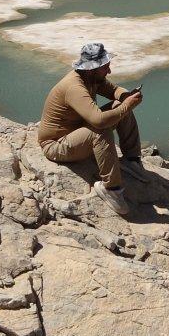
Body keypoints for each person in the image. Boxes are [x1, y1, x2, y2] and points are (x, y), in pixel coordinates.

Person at [38, 43, 144, 216]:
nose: (108, 72)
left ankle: (132, 160)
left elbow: (115, 90)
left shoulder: (93, 78)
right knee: (100, 129)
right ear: (91, 69)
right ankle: (111, 189)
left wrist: (126, 96)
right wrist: (127, 106)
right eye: (105, 68)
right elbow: (99, 121)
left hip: (77, 132)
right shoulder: (74, 86)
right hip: (56, 145)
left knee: (118, 106)